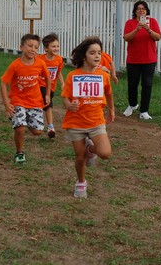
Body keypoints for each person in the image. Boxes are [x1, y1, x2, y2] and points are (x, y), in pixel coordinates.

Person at [61, 36, 115, 198]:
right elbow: (65, 96)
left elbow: (109, 93)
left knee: (105, 153)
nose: (97, 56)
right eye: (92, 53)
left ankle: (91, 150)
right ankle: (81, 182)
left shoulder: (103, 76)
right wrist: (69, 105)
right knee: (79, 158)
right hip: (76, 122)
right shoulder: (72, 76)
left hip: (96, 121)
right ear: (84, 56)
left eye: (99, 52)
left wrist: (111, 110)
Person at [0, 34, 51, 163]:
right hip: (18, 100)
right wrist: (7, 104)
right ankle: (19, 153)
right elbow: (3, 83)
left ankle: (25, 119)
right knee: (20, 128)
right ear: (21, 47)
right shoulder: (15, 65)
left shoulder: (40, 63)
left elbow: (48, 78)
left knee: (37, 131)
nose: (33, 49)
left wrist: (47, 94)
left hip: (35, 101)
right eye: (29, 46)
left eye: (35, 47)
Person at [122, 0, 161, 120]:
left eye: (143, 8)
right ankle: (132, 104)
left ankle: (144, 110)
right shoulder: (130, 23)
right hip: (133, 60)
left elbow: (158, 37)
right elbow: (126, 38)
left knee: (147, 84)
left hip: (149, 59)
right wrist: (137, 29)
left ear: (146, 11)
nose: (141, 10)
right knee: (132, 84)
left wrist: (148, 29)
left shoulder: (152, 22)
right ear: (135, 11)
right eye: (139, 8)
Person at [37, 33, 64, 138]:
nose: (56, 48)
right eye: (53, 46)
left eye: (57, 46)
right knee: (48, 106)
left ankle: (39, 122)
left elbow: (58, 72)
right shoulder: (40, 59)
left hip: (52, 87)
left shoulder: (59, 59)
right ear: (46, 48)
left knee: (44, 105)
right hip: (41, 85)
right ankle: (51, 127)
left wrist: (63, 83)